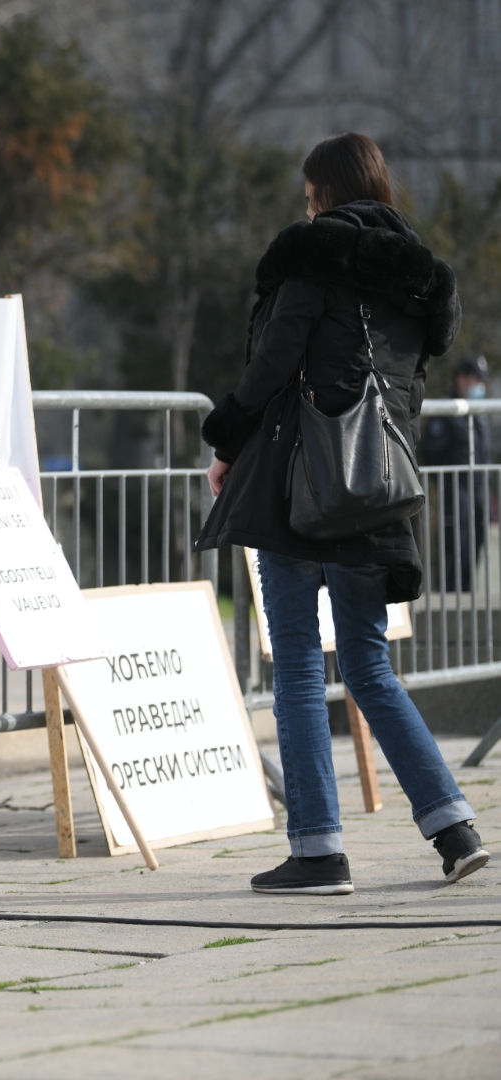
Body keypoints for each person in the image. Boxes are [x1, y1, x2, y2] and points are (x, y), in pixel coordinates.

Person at [195, 133, 487, 893]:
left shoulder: (315, 258)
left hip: (301, 490)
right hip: (380, 497)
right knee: (368, 666)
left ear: (323, 191)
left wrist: (224, 438)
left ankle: (319, 849)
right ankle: (453, 828)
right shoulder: (420, 283)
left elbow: (271, 366)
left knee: (294, 666)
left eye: (308, 191)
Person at [420, 356, 491, 591]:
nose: (478, 384)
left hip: (479, 489)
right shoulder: (446, 409)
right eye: (474, 379)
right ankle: (451, 597)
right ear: (461, 378)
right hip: (455, 490)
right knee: (455, 545)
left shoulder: (479, 411)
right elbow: (431, 452)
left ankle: (467, 592)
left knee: (477, 541)